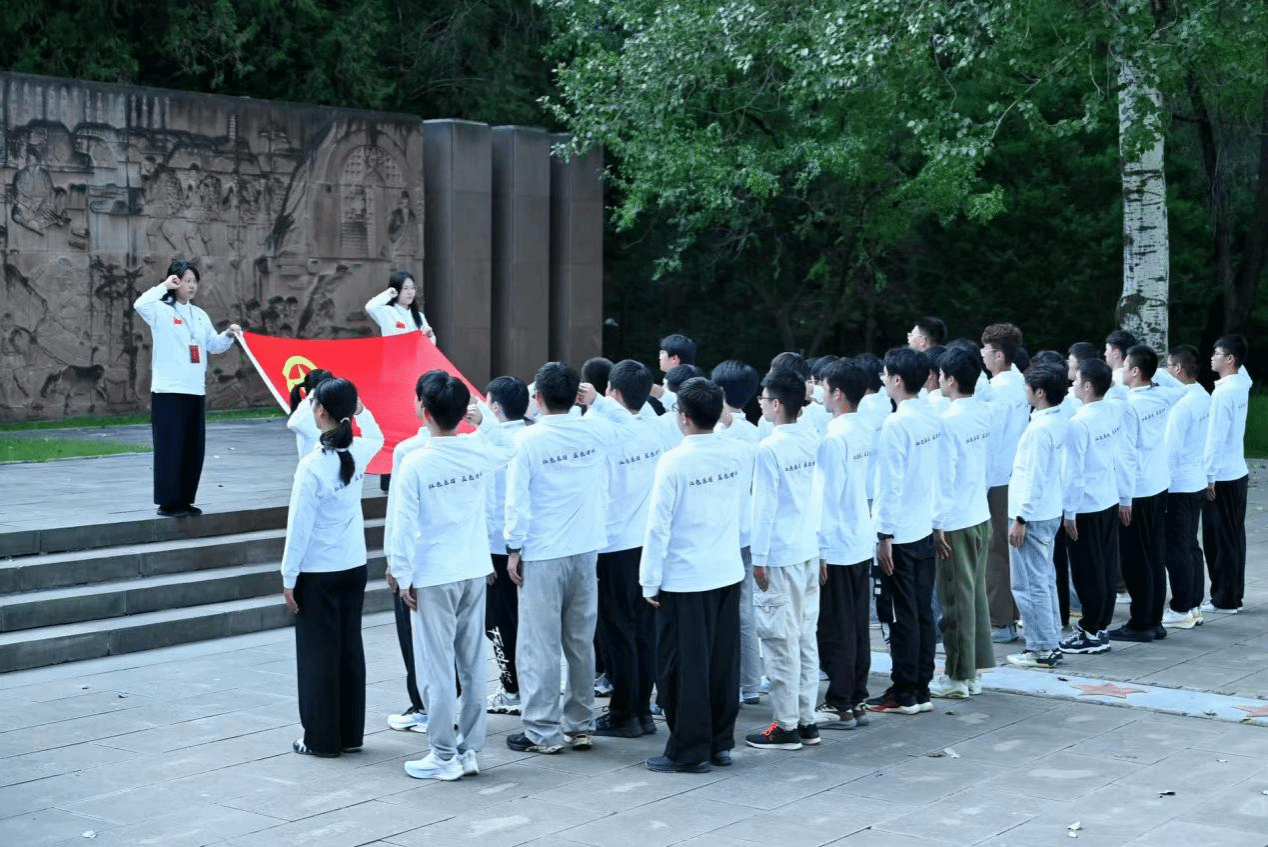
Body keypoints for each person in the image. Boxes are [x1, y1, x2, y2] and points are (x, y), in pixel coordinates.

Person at [388, 371, 514, 781]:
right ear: (462, 412)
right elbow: (508, 446)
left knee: (436, 667)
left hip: (434, 575)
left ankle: (444, 754)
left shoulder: (416, 461)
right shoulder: (476, 451)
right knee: (472, 662)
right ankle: (469, 749)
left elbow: (403, 527)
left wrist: (402, 574)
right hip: (472, 569)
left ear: (424, 411)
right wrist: (484, 420)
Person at [641, 377, 753, 773]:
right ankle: (719, 742)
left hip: (686, 576)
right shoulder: (738, 452)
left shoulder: (674, 461)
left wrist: (649, 580)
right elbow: (743, 511)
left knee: (683, 666)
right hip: (726, 568)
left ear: (684, 418)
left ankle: (689, 750)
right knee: (722, 661)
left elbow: (658, 527)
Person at [504, 362, 609, 754]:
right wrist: (593, 403)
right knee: (580, 641)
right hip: (586, 547)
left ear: (538, 398)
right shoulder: (596, 431)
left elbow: (517, 501)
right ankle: (580, 724)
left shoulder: (527, 440)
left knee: (539, 644)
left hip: (544, 552)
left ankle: (542, 730)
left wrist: (514, 547)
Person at [279, 378, 382, 757]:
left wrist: (288, 577)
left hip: (318, 572)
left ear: (320, 411)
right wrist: (362, 412)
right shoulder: (359, 450)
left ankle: (321, 739)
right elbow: (377, 435)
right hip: (353, 566)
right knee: (349, 648)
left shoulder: (312, 466)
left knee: (318, 655)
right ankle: (350, 734)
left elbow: (299, 528)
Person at [576, 360, 664, 739]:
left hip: (613, 547)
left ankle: (626, 713)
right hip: (647, 542)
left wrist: (595, 404)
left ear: (612, 392)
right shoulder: (654, 428)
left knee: (617, 633)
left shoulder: (603, 431)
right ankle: (640, 709)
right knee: (643, 631)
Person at [746, 367, 822, 750]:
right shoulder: (811, 438)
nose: (761, 405)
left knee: (779, 640)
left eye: (764, 399)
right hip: (807, 548)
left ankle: (785, 725)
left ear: (776, 405)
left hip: (778, 555)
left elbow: (763, 507)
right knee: (805, 637)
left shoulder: (770, 448)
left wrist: (758, 557)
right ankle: (806, 719)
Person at [132, 260, 242, 517]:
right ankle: (168, 503)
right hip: (169, 390)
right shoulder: (160, 310)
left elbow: (213, 345)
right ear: (175, 281)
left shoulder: (199, 315)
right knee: (170, 447)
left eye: (194, 281)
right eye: (186, 280)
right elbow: (139, 304)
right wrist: (164, 286)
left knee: (192, 449)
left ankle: (185, 500)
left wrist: (229, 334)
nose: (191, 286)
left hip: (194, 390)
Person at [868, 347, 941, 714]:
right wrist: (938, 523)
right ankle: (921, 687)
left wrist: (883, 535)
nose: (883, 380)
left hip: (900, 535)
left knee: (901, 615)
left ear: (897, 380)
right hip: (924, 526)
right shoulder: (931, 416)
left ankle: (905, 691)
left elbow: (889, 485)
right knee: (921, 611)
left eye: (886, 375)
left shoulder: (897, 423)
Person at [812, 359, 877, 724]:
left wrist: (820, 549)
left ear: (837, 394)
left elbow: (826, 498)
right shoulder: (864, 429)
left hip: (837, 543)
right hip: (859, 536)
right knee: (856, 624)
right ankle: (856, 698)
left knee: (836, 627)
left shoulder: (833, 438)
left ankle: (840, 702)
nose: (820, 393)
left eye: (823, 388)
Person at [927, 348, 994, 698]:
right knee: (974, 598)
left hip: (955, 521)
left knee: (956, 601)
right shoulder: (981, 412)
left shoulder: (948, 421)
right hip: (979, 512)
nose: (937, 380)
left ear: (950, 380)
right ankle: (972, 673)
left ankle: (957, 677)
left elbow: (944, 477)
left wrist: (936, 522)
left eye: (940, 375)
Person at [1110, 344, 1180, 642]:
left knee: (1135, 558)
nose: (1121, 371)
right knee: (1153, 554)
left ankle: (1141, 623)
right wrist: (1157, 371)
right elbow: (1181, 388)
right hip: (1158, 483)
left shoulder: (1129, 406)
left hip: (1137, 489)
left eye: (1125, 366)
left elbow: (1126, 455)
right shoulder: (1162, 395)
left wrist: (1124, 498)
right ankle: (1154, 620)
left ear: (1135, 371)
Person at [1004, 364, 1069, 668]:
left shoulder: (1041, 429)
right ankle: (1050, 638)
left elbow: (1035, 477)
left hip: (1032, 515)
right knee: (1043, 579)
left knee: (1029, 584)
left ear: (1039, 392)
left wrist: (1021, 518)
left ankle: (1042, 647)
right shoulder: (1054, 419)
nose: (1025, 392)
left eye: (1027, 387)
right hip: (1048, 510)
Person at [381, 380, 435, 735]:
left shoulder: (409, 451)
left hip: (416, 561)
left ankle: (423, 706)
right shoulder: (471, 449)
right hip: (455, 562)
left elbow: (399, 512)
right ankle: (445, 705)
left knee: (414, 638)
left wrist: (394, 561)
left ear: (422, 406)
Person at [710, 359, 765, 705]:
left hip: (724, 534)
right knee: (745, 610)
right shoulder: (755, 432)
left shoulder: (721, 434)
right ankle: (751, 682)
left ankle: (731, 680)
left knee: (724, 612)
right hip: (746, 532)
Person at [1058, 359, 1122, 655]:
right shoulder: (1112, 410)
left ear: (1088, 386)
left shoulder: (1079, 422)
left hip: (1086, 505)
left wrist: (1069, 512)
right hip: (1107, 497)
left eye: (1076, 379)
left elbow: (1073, 472)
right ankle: (1100, 626)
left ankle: (1091, 631)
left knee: (1087, 570)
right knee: (1104, 566)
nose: (1072, 383)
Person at [483, 376, 531, 715]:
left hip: (500, 548)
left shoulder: (491, 447)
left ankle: (512, 688)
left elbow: (488, 506)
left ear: (496, 408)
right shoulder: (531, 437)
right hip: (531, 544)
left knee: (499, 622)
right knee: (526, 620)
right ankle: (527, 683)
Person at [979, 323, 1028, 643]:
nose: (981, 355)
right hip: (1017, 475)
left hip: (998, 478)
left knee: (995, 551)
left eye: (984, 350)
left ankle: (1000, 621)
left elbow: (991, 442)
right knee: (1011, 550)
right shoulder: (1021, 382)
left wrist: (981, 484)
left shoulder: (995, 391)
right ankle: (1012, 615)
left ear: (998, 355)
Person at [1161, 345, 1211, 629]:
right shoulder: (1203, 395)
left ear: (1178, 369)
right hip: (1197, 480)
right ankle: (1193, 605)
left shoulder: (1181, 406)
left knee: (1177, 548)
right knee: (1191, 545)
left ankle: (1181, 608)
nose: (1166, 371)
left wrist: (1162, 489)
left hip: (1179, 485)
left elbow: (1170, 452)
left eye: (1168, 366)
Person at [1202, 334, 1252, 613]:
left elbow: (1214, 439)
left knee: (1219, 541)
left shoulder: (1223, 393)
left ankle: (1225, 599)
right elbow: (1244, 371)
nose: (1212, 357)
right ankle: (1232, 595)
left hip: (1222, 476)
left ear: (1230, 359)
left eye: (1217, 353)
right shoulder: (1241, 382)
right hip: (1237, 473)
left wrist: (1208, 478)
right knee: (1233, 538)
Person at [364, 271, 436, 342]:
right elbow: (370, 307)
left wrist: (429, 336)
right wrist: (389, 293)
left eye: (412, 288)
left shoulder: (419, 316)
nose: (410, 292)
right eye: (405, 288)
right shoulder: (387, 312)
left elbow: (430, 345)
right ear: (396, 289)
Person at [287, 369, 334, 458]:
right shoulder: (307, 405)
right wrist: (313, 436)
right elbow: (293, 423)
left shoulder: (324, 402)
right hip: (313, 458)